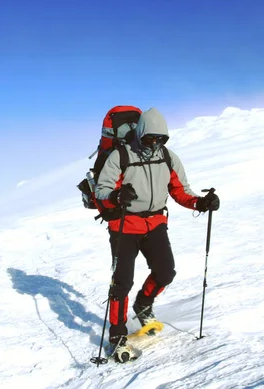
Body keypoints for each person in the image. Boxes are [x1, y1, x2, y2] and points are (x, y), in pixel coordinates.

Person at [94, 107, 220, 350]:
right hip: (124, 225)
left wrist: (201, 203)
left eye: (160, 138)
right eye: (150, 137)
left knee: (165, 273)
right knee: (121, 283)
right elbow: (102, 191)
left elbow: (180, 191)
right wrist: (117, 196)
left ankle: (143, 303)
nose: (155, 142)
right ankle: (118, 334)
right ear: (140, 133)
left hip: (155, 224)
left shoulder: (168, 157)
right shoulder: (120, 156)